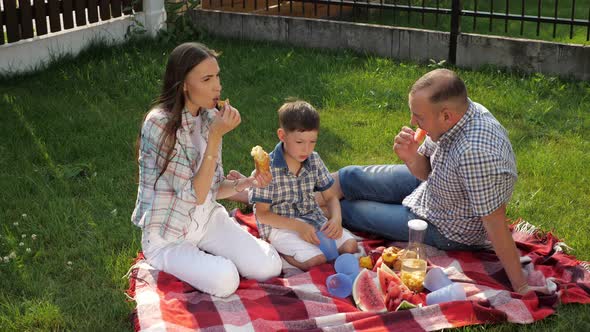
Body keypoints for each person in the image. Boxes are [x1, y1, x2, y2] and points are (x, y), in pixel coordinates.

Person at [327, 69, 530, 294]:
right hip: (434, 186)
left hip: (446, 226)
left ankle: (305, 211)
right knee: (351, 176)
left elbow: (495, 224)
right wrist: (413, 157)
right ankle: (299, 192)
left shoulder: (476, 153)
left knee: (350, 210)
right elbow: (426, 171)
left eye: (419, 116)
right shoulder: (457, 116)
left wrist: (521, 286)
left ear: (445, 115)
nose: (413, 121)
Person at [131, 42, 282, 298]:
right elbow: (195, 195)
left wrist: (247, 183)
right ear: (184, 85)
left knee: (269, 267)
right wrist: (214, 137)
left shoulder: (209, 116)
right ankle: (185, 260)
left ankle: (212, 255)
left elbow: (211, 190)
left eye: (218, 76)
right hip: (169, 236)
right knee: (226, 280)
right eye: (207, 78)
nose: (218, 86)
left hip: (208, 220)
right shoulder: (158, 125)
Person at [250, 101, 358, 271]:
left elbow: (330, 197)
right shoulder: (267, 168)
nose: (306, 149)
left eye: (312, 142)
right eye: (299, 142)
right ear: (282, 135)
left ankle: (304, 249)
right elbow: (263, 215)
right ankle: (282, 256)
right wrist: (298, 227)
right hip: (281, 227)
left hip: (313, 219)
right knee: (317, 260)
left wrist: (336, 219)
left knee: (351, 247)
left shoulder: (314, 160)